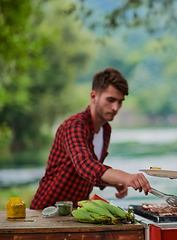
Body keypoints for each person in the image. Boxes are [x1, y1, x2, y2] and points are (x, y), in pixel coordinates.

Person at [30, 67, 151, 210]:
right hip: (46, 210)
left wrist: (112, 182)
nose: (116, 108)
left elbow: (89, 173)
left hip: (75, 212)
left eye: (120, 101)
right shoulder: (75, 126)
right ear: (94, 96)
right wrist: (126, 177)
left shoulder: (106, 129)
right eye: (111, 100)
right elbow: (84, 164)